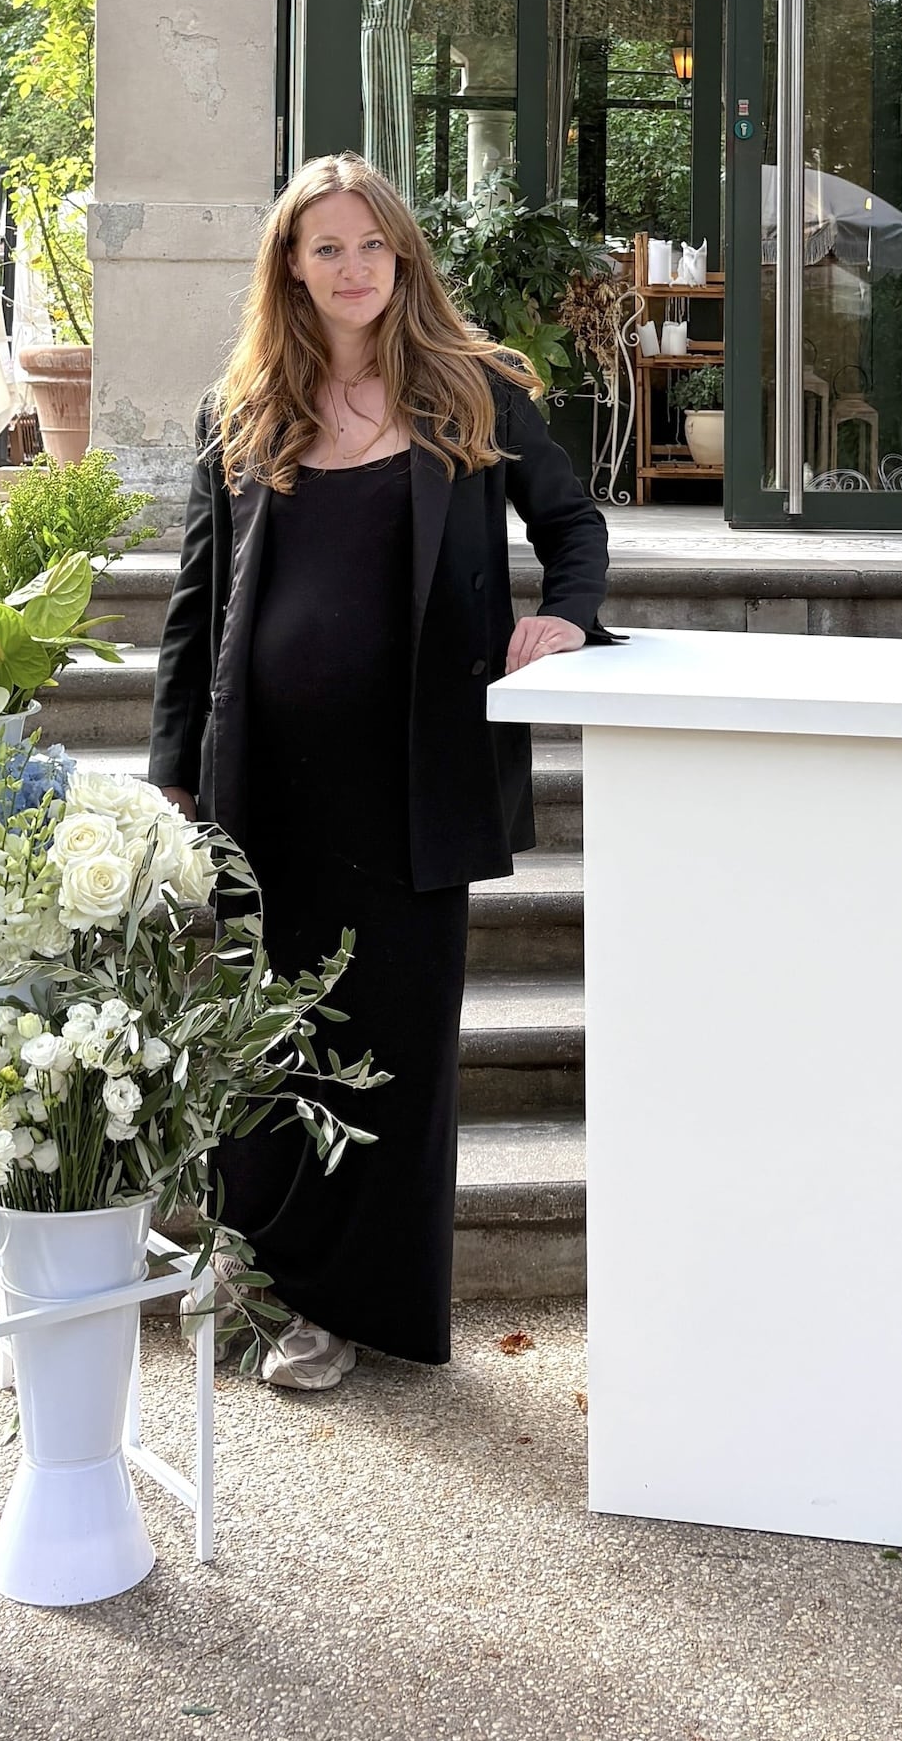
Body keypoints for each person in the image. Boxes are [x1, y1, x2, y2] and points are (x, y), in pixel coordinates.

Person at [148, 153, 611, 1390]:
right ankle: (275, 1297)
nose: (352, 269)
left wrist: (563, 619)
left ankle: (374, 1306)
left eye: (371, 246)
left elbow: (571, 526)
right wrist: (174, 763)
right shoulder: (243, 408)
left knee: (396, 1049)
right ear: (289, 270)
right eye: (324, 250)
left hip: (416, 780)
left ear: (400, 256)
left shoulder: (475, 392)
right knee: (265, 1042)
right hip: (268, 784)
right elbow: (200, 602)